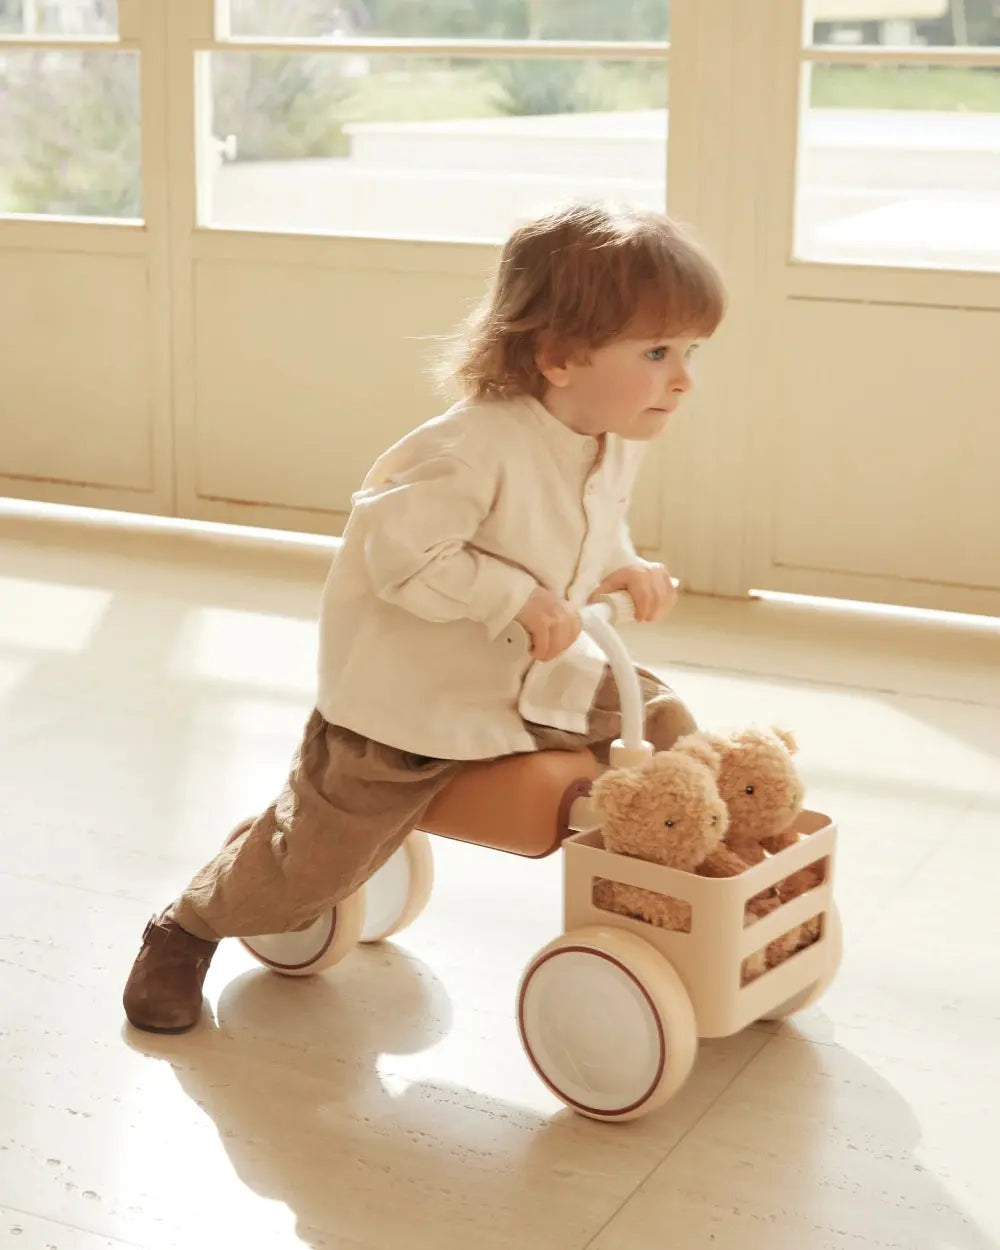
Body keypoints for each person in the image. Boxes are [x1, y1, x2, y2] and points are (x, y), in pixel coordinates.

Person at [123, 201, 727, 1033]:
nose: (684, 377)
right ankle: (187, 927)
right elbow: (402, 555)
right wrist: (515, 598)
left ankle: (695, 898)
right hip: (412, 708)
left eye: (690, 351)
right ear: (558, 355)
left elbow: (588, 520)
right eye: (658, 352)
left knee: (664, 721)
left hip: (540, 674)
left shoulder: (613, 432)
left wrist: (622, 563)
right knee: (313, 871)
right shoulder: (468, 447)